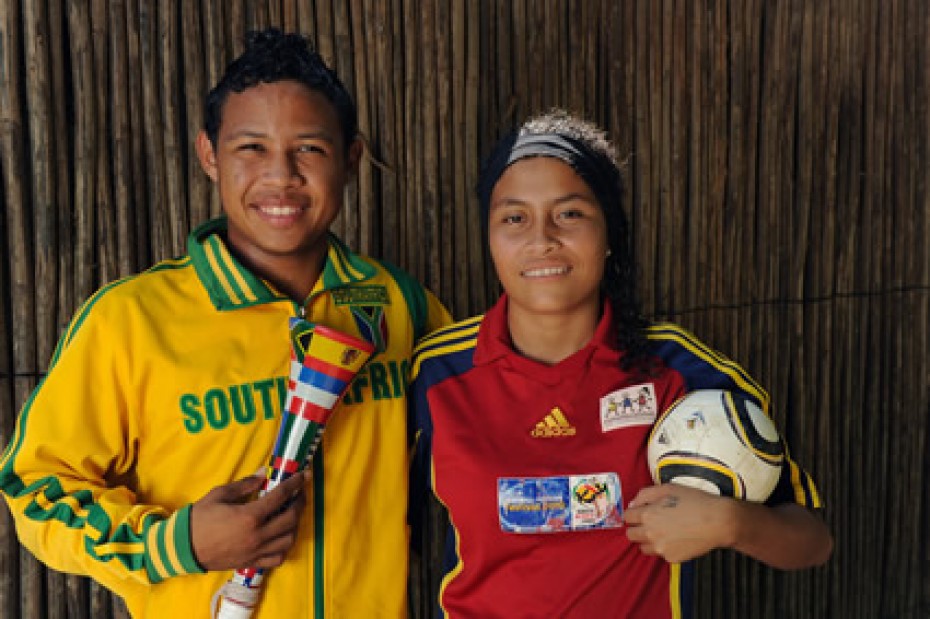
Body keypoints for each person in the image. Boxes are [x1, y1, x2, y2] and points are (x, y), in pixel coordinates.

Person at [0, 29, 449, 618]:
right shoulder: (132, 320)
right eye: (251, 148)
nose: (281, 175)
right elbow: (36, 490)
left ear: (351, 157)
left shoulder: (399, 306)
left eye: (309, 148)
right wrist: (177, 543)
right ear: (209, 155)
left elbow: (484, 443)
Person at [408, 110, 832, 618]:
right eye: (514, 218)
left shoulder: (680, 371)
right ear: (489, 237)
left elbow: (813, 540)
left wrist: (731, 523)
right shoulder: (435, 374)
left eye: (569, 214)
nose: (542, 238)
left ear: (610, 233)